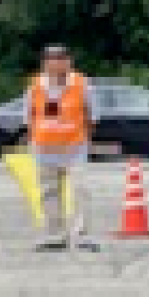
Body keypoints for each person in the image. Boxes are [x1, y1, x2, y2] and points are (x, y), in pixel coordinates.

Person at [27, 45, 100, 251]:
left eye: (61, 59)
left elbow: (93, 116)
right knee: (48, 192)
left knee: (81, 190)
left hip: (74, 148)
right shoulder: (35, 85)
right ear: (45, 64)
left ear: (69, 62)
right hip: (44, 148)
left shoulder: (82, 84)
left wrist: (84, 139)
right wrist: (34, 141)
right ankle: (55, 236)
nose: (57, 64)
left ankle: (82, 236)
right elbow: (30, 115)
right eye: (51, 59)